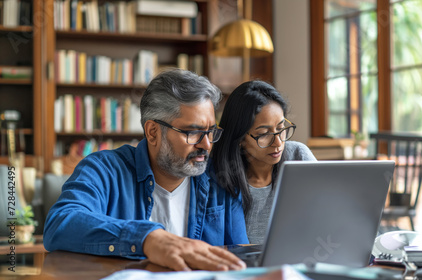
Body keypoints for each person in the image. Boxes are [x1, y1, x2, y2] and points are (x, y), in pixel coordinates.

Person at [43, 69, 248, 271]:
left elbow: (242, 260)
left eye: (211, 132)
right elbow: (60, 224)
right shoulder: (103, 169)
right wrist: (147, 238)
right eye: (193, 132)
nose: (207, 145)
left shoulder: (221, 179)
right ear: (152, 132)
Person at [210, 80, 316, 244]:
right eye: (264, 134)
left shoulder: (298, 156)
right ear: (240, 139)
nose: (278, 143)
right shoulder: (221, 179)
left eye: (280, 129)